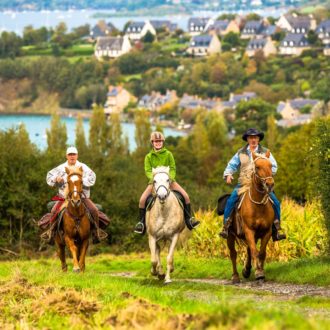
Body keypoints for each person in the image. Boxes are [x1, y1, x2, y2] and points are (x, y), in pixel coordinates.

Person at [219, 128, 286, 241]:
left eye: (255, 137)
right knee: (231, 200)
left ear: (259, 139)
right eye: (251, 137)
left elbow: (273, 166)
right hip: (244, 183)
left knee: (276, 202)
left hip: (262, 185)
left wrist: (267, 175)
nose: (253, 139)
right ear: (247, 139)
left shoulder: (266, 152)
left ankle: (277, 229)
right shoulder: (241, 152)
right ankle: (226, 227)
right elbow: (232, 165)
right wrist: (228, 174)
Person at [134, 131, 200, 234]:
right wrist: (153, 179)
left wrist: (170, 178)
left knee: (186, 196)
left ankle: (189, 220)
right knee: (142, 200)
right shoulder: (148, 157)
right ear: (152, 143)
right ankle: (141, 224)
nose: (158, 143)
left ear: (163, 142)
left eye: (160, 141)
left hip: (169, 181)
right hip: (154, 182)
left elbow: (173, 168)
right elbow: (147, 170)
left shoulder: (169, 154)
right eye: (156, 142)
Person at [41, 146, 106, 244]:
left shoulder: (83, 167)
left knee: (94, 210)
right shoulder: (60, 168)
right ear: (66, 156)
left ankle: (96, 233)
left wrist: (80, 181)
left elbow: (93, 178)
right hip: (64, 198)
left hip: (82, 197)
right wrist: (56, 179)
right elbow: (49, 177)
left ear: (77, 155)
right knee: (54, 210)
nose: (72, 156)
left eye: (74, 154)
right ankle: (51, 233)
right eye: (70, 154)